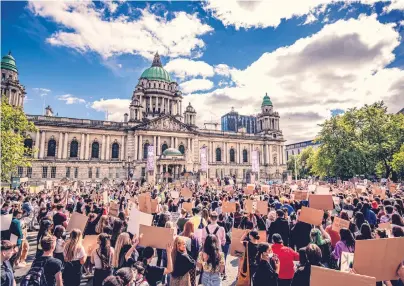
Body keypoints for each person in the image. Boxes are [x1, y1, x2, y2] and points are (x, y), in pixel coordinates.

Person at [180, 221, 200, 286]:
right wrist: (195, 260)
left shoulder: (180, 236)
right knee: (192, 280)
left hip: (182, 262)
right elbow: (197, 250)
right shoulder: (194, 237)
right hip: (191, 262)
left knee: (182, 280)